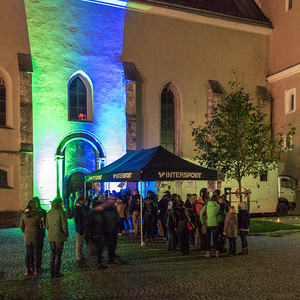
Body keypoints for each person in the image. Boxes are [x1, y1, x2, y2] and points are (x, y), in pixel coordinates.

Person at [46, 198, 69, 278]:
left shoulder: (48, 213)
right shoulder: (61, 213)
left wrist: (50, 231)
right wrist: (66, 234)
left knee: (53, 254)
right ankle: (56, 272)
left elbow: (46, 225)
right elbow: (64, 225)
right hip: (59, 236)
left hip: (51, 236)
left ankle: (52, 272)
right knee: (58, 255)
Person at [19, 200, 43, 276]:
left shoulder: (23, 215)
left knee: (28, 253)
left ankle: (27, 269)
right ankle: (36, 269)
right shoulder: (37, 214)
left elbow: (21, 226)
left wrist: (25, 232)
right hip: (36, 235)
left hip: (27, 236)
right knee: (36, 253)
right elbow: (41, 226)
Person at [200, 194, 220, 258]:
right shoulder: (218, 206)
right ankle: (217, 254)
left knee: (207, 239)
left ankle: (208, 254)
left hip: (208, 223)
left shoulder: (206, 205)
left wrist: (203, 221)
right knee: (216, 239)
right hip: (216, 223)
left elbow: (201, 214)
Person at [102, 196, 120, 266]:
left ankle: (111, 258)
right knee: (110, 245)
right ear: (109, 200)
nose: (114, 201)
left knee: (113, 244)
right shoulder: (105, 208)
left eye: (115, 199)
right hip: (108, 229)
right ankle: (109, 261)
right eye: (112, 199)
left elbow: (116, 217)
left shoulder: (114, 207)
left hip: (114, 228)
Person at [90, 200, 106, 270]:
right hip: (96, 234)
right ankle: (98, 264)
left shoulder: (97, 212)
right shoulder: (95, 213)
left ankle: (99, 263)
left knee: (99, 249)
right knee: (99, 249)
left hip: (98, 233)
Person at [74, 196, 90, 263]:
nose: (85, 201)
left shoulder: (84, 207)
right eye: (84, 200)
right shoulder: (78, 209)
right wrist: (80, 228)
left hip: (85, 227)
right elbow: (77, 220)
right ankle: (79, 256)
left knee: (86, 242)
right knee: (79, 243)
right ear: (80, 201)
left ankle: (82, 255)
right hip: (81, 228)